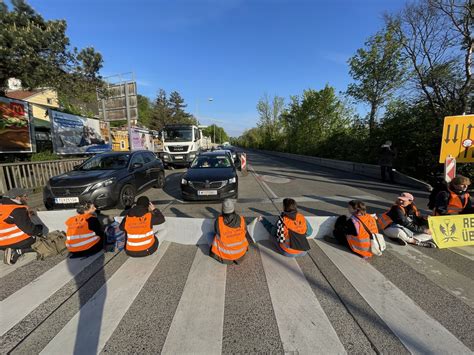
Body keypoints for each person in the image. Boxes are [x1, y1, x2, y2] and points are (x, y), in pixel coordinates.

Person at [0, 188, 43, 265]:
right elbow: (30, 230)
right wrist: (40, 230)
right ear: (17, 198)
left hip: (1, 243)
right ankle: (19, 251)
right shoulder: (17, 210)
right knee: (36, 235)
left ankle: (11, 248)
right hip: (13, 242)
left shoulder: (3, 206)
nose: (27, 198)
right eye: (25, 196)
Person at [210, 199, 250, 264]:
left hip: (225, 256)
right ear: (233, 209)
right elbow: (245, 231)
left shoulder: (218, 221)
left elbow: (216, 232)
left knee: (213, 236)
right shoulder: (242, 219)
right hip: (240, 253)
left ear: (223, 210)